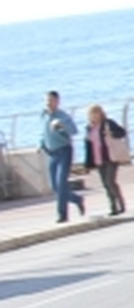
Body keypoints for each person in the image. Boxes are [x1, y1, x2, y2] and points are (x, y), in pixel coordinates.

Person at [36, 92, 82, 224]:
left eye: (51, 100)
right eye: (47, 101)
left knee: (61, 182)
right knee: (55, 187)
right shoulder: (43, 115)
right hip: (52, 152)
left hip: (64, 151)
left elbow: (74, 131)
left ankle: (62, 214)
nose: (48, 103)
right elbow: (42, 132)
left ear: (57, 101)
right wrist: (41, 144)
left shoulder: (63, 116)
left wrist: (62, 126)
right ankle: (76, 199)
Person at [81, 104, 129, 217]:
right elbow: (88, 146)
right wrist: (88, 164)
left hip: (110, 157)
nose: (94, 117)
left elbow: (122, 132)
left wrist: (111, 134)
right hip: (99, 159)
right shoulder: (89, 128)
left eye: (96, 114)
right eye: (92, 114)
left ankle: (118, 205)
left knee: (110, 181)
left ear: (101, 114)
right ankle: (113, 206)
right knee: (106, 184)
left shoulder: (108, 123)